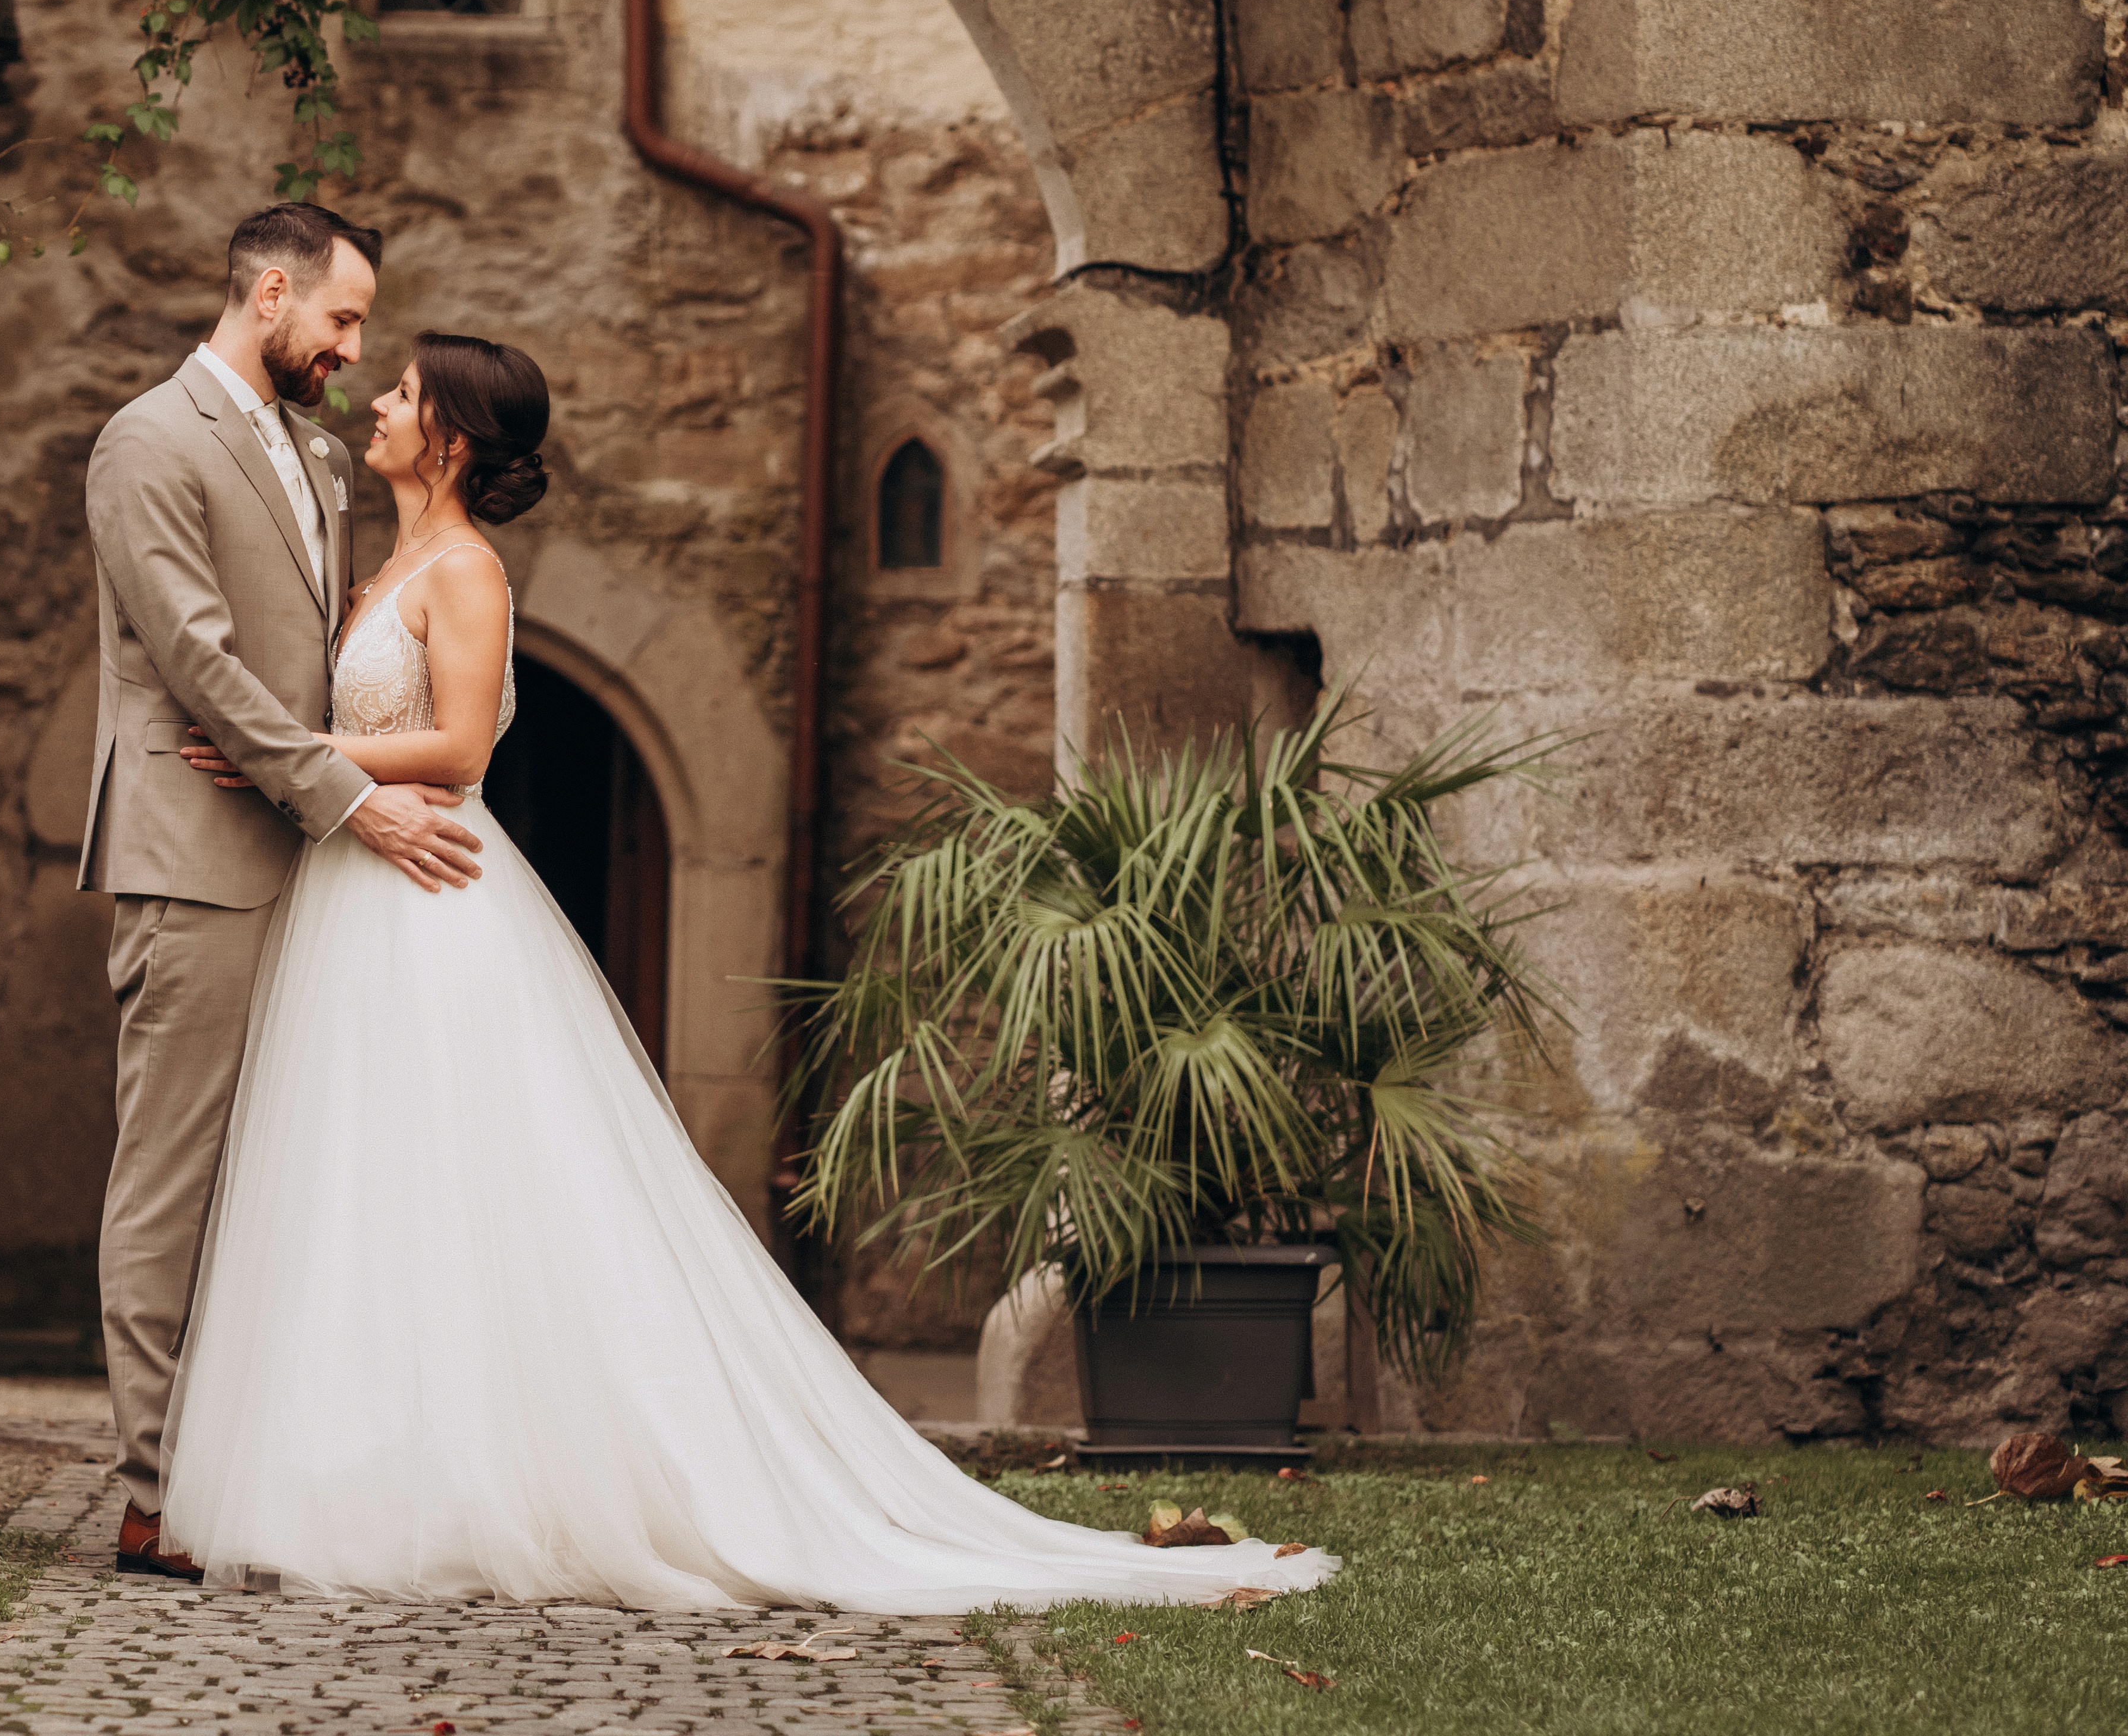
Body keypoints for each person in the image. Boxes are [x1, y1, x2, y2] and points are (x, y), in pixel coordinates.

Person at [150, 330, 1340, 1612]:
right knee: (363, 1179)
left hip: (431, 888)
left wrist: (293, 746)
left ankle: (487, 1480)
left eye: (401, 394)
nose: (375, 403)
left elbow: (454, 745)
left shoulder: (469, 570)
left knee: (467, 1177)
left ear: (446, 436)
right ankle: (365, 1463)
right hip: (359, 888)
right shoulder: (386, 559)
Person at [76, 203, 488, 1582]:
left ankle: (270, 1471)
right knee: (173, 1185)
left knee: (297, 1186)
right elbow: (196, 657)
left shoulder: (316, 454)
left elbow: (315, 671)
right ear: (269, 292)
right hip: (197, 861)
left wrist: (346, 787)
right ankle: (149, 1499)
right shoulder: (146, 441)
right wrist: (354, 796)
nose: (354, 350)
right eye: (343, 319)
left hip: (309, 871)